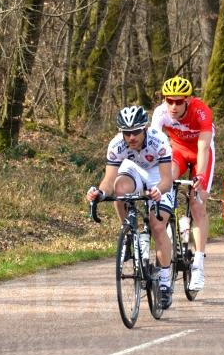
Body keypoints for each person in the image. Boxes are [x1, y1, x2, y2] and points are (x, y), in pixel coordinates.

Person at [86, 106, 176, 309]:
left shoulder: (159, 140)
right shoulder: (116, 145)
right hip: (133, 169)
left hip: (157, 175)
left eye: (136, 132)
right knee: (120, 191)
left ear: (145, 128)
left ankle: (164, 282)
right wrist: (100, 193)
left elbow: (167, 180)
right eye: (127, 133)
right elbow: (109, 181)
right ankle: (128, 232)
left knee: (158, 226)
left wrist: (158, 191)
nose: (131, 137)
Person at [150, 76, 215, 292]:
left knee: (197, 204)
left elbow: (204, 148)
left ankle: (198, 265)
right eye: (169, 101)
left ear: (187, 100)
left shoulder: (201, 112)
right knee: (166, 181)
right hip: (177, 151)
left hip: (200, 154)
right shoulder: (160, 113)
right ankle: (170, 224)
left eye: (178, 102)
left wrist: (201, 177)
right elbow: (155, 147)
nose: (173, 106)